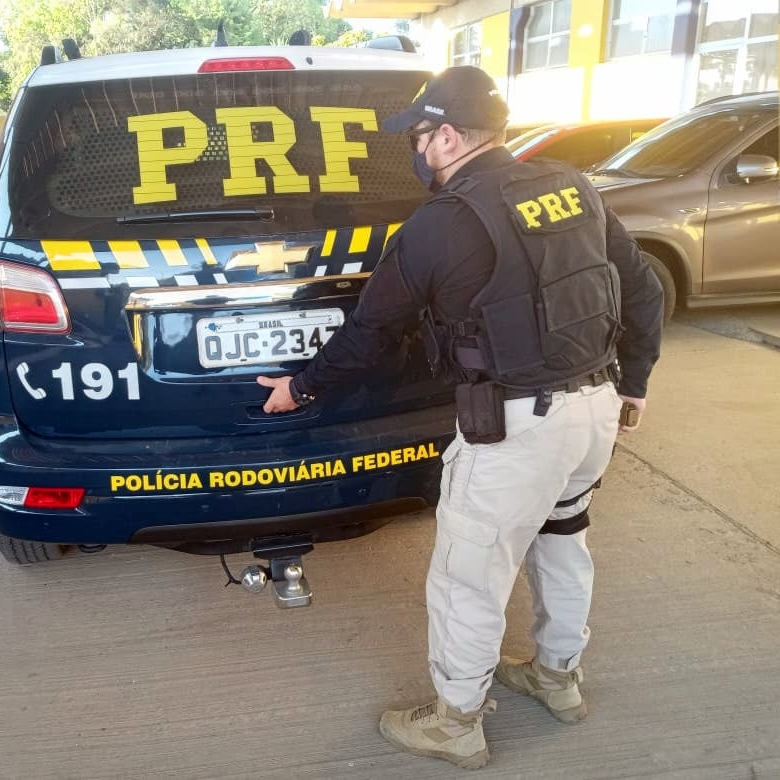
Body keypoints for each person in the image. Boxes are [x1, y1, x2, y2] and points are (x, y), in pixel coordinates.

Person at [257, 66, 663, 769]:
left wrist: (302, 387)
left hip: (518, 431)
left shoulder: (442, 223)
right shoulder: (571, 186)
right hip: (594, 411)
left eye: (418, 138)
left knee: (469, 575)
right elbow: (643, 288)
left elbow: (371, 332)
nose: (416, 152)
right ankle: (558, 678)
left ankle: (455, 724)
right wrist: (635, 382)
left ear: (447, 136)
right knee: (563, 541)